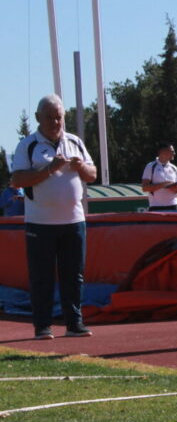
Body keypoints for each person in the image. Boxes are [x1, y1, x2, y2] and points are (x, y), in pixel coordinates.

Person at [10, 94, 97, 339]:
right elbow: (17, 180)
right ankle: (42, 326)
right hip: (40, 222)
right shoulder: (28, 145)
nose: (54, 122)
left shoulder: (75, 142)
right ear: (38, 118)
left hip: (74, 220)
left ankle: (74, 324)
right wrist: (50, 169)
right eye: (49, 117)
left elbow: (92, 174)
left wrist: (81, 167)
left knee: (74, 275)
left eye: (58, 117)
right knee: (42, 276)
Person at [141, 142, 177, 211]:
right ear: (162, 152)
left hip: (174, 206)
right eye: (172, 151)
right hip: (156, 206)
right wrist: (164, 184)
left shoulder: (174, 168)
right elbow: (145, 188)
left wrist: (176, 189)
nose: (174, 153)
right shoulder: (150, 166)